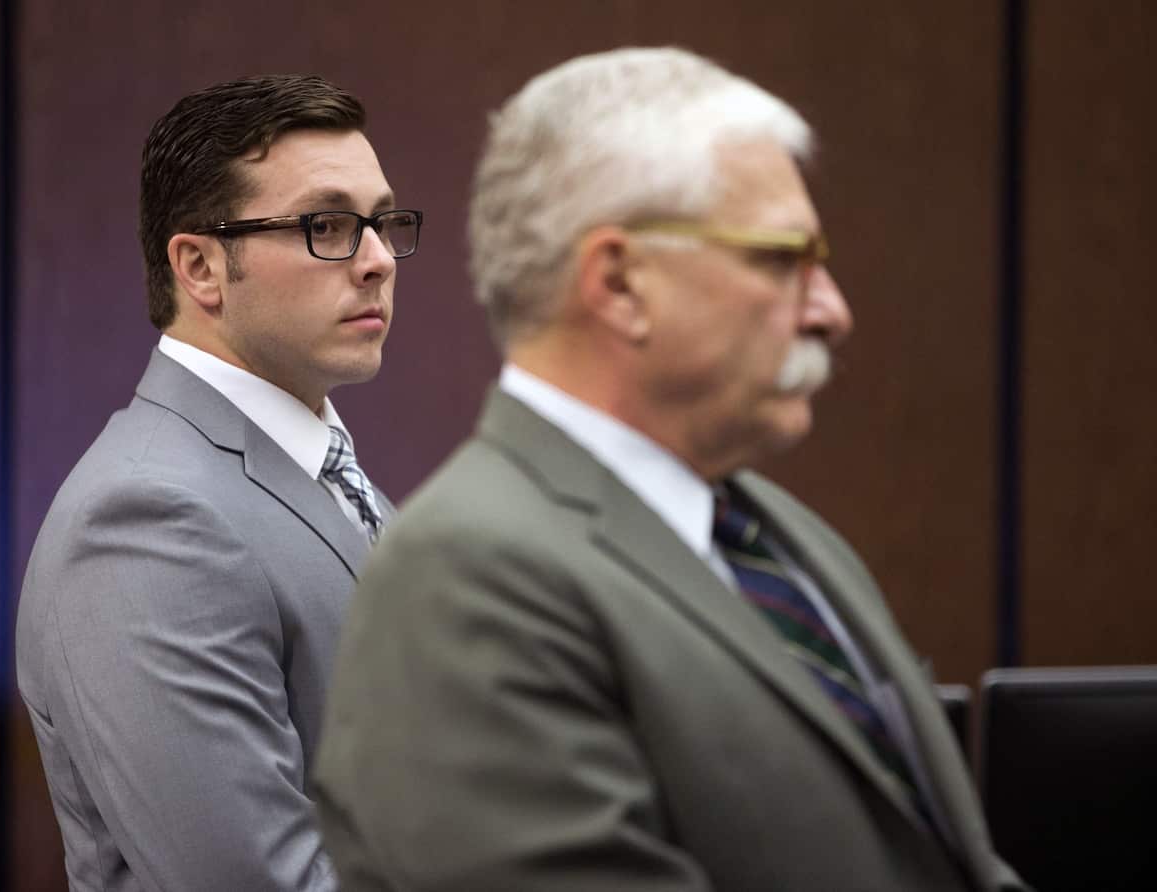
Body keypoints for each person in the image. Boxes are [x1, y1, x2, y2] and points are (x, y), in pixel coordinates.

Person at [313, 48, 1027, 891]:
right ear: (619, 284)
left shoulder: (779, 534)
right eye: (780, 258)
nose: (833, 311)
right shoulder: (464, 576)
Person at [16, 74, 421, 891]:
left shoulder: (333, 476)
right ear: (200, 266)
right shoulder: (144, 520)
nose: (378, 260)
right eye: (329, 225)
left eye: (382, 224)